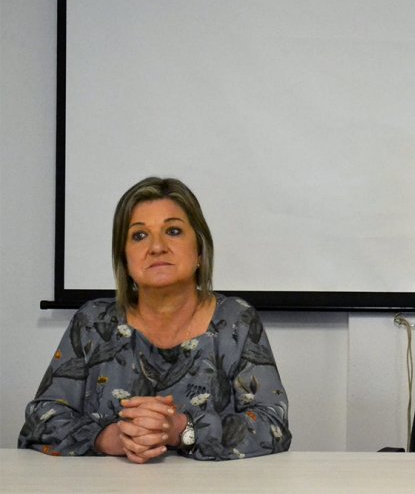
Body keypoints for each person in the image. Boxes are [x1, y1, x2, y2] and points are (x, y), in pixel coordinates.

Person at [19, 177, 291, 462]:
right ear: (124, 259)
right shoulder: (93, 323)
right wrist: (109, 438)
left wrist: (181, 429)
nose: (157, 247)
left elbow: (272, 425)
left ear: (199, 250)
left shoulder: (236, 321)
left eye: (173, 231)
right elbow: (40, 420)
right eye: (139, 235)